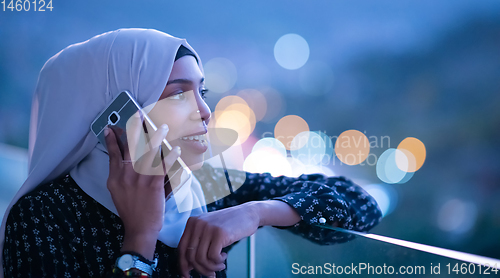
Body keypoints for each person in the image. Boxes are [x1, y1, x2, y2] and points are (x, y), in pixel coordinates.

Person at [0, 28, 382, 278]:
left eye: (203, 92)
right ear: (114, 110)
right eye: (179, 94)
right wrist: (139, 239)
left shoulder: (198, 186)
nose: (205, 111)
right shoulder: (42, 216)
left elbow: (361, 207)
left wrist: (257, 212)